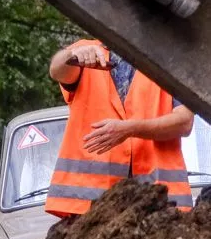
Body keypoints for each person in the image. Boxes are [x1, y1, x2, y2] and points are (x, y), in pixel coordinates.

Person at [46, 39, 195, 217]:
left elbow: (184, 122)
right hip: (90, 208)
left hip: (162, 204)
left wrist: (130, 129)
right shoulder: (84, 52)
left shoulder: (167, 59)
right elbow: (57, 70)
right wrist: (70, 56)